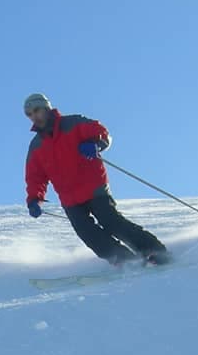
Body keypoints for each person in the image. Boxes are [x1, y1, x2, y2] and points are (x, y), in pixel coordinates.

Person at [23, 92, 171, 266]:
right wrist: (34, 199)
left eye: (36, 110)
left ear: (46, 108)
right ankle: (124, 260)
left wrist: (96, 144)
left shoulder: (74, 123)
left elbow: (101, 132)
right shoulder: (36, 146)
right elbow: (35, 177)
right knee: (87, 233)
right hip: (69, 199)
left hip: (93, 187)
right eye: (29, 114)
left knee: (112, 222)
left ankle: (154, 250)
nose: (34, 117)